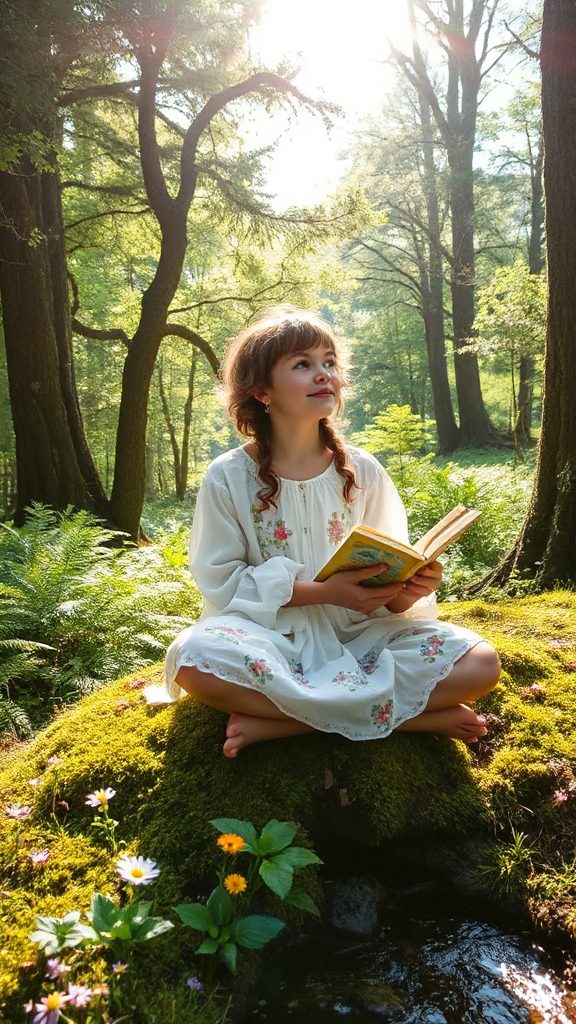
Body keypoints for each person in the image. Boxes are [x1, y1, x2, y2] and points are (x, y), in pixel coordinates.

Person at [152, 306, 500, 759]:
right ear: (262, 391)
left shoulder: (363, 471)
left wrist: (409, 590)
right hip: (271, 636)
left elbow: (388, 585)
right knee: (193, 660)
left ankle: (285, 725)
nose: (323, 374)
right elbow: (220, 579)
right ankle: (413, 719)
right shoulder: (228, 476)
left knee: (481, 663)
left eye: (329, 363)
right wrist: (324, 592)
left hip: (362, 633)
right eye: (302, 364)